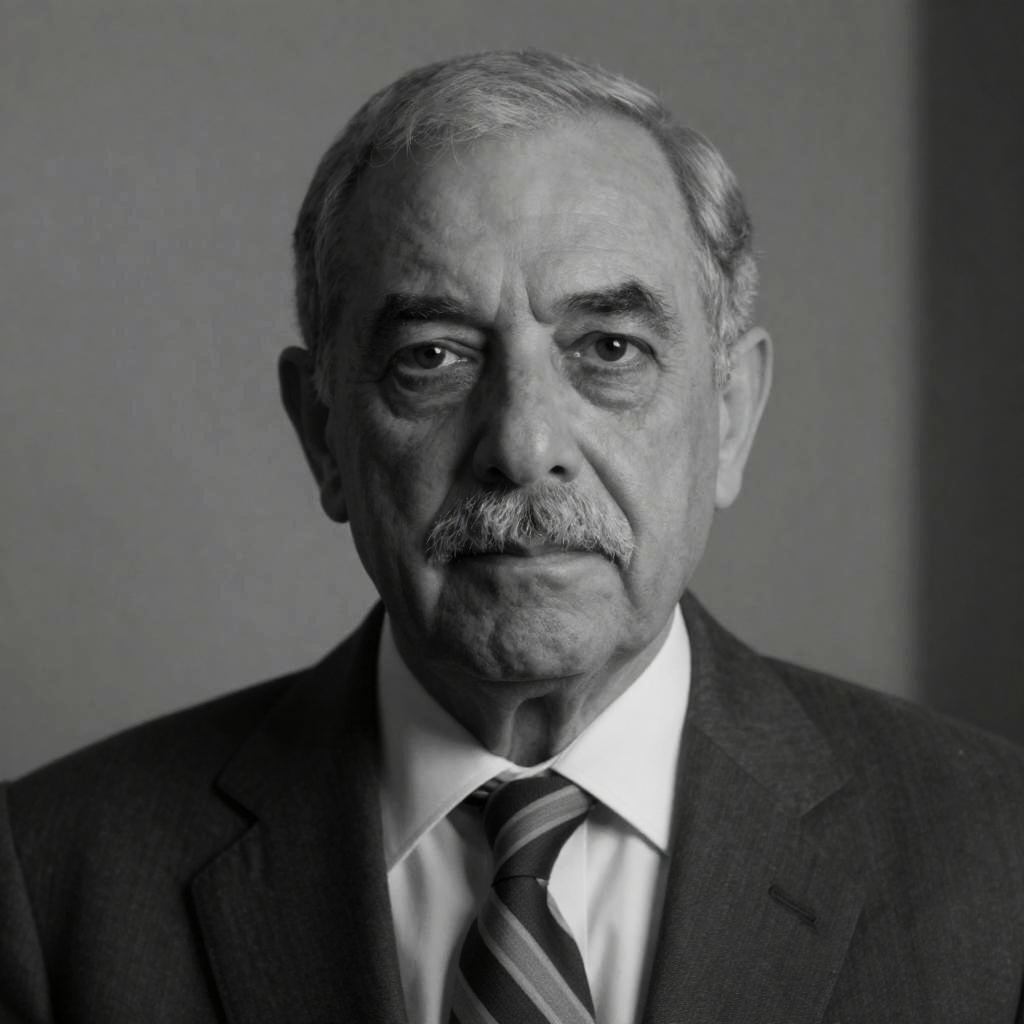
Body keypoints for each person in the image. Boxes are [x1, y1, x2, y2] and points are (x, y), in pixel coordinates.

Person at [2, 49, 1023, 1024]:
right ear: (323, 433)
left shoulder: (998, 860)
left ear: (730, 414)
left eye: (609, 348)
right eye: (433, 357)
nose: (524, 447)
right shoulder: (52, 886)